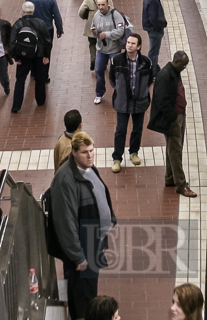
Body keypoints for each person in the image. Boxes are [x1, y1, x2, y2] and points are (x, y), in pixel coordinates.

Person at [50, 132, 116, 320]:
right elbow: (65, 223)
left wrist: (111, 218)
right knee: (82, 297)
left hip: (93, 243)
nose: (90, 156)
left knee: (89, 291)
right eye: (84, 152)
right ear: (73, 152)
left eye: (92, 151)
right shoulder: (66, 179)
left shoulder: (89, 169)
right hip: (82, 251)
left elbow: (101, 193)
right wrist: (78, 256)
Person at [148, 51, 196, 198]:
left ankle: (170, 178)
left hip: (179, 115)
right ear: (176, 62)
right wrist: (173, 116)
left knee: (173, 147)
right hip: (174, 118)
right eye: (184, 64)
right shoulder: (164, 75)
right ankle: (181, 185)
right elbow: (161, 100)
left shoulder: (174, 71)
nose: (185, 67)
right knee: (176, 151)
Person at [109, 34, 154, 173]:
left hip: (139, 102)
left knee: (137, 129)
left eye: (133, 43)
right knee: (120, 130)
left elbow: (150, 79)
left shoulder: (146, 62)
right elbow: (112, 79)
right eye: (128, 42)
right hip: (122, 103)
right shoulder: (117, 60)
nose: (129, 45)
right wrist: (121, 91)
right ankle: (117, 158)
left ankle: (134, 152)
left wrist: (142, 93)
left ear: (139, 46)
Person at [8, 1, 52, 113]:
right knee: (40, 79)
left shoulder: (18, 24)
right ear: (33, 11)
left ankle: (16, 106)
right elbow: (48, 41)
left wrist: (16, 57)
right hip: (38, 55)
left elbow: (12, 43)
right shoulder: (40, 23)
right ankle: (40, 101)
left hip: (23, 57)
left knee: (20, 80)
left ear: (23, 11)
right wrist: (46, 55)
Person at [26, 0, 63, 84]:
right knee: (46, 53)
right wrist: (59, 29)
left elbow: (25, 15)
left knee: (33, 50)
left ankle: (33, 73)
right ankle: (44, 75)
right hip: (47, 30)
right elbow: (57, 15)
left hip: (33, 30)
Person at [90, 0, 125, 105]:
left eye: (103, 5)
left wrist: (107, 35)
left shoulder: (115, 14)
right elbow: (93, 28)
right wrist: (94, 32)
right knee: (99, 71)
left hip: (114, 50)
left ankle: (119, 92)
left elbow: (121, 31)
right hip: (101, 50)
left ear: (107, 4)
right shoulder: (96, 16)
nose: (100, 7)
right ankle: (99, 94)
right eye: (99, 5)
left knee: (117, 72)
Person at [78, 0, 113, 71]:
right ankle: (103, 62)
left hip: (92, 25)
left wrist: (85, 18)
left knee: (92, 43)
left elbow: (81, 11)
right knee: (104, 44)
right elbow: (112, 13)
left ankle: (93, 59)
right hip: (105, 26)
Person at [141, 0, 168, 76]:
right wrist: (160, 26)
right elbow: (154, 18)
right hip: (155, 30)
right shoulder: (153, 0)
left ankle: (155, 67)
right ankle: (152, 71)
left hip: (150, 28)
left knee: (153, 51)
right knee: (154, 52)